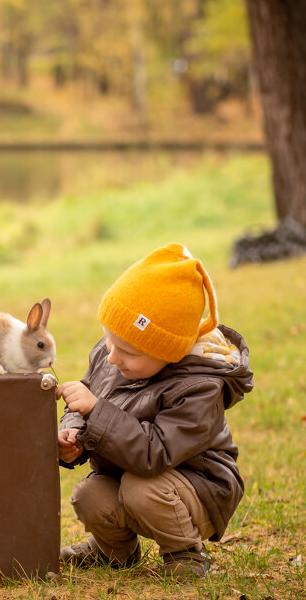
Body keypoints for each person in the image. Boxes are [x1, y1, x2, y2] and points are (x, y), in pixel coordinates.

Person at [55, 243, 253, 578]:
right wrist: (73, 432)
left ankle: (187, 555)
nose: (113, 357)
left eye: (128, 351)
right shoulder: (115, 355)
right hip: (129, 475)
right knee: (89, 494)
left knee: (140, 488)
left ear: (169, 352)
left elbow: (153, 454)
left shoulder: (199, 387)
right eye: (108, 340)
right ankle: (114, 551)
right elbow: (89, 400)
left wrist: (96, 411)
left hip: (198, 488)